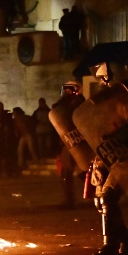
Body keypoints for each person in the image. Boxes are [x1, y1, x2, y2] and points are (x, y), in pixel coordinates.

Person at [88, 63, 128, 255]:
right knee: (100, 201)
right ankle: (127, 242)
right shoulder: (107, 104)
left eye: (103, 79)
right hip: (108, 157)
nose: (101, 84)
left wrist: (115, 137)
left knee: (108, 198)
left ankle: (110, 245)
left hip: (127, 157)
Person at [52, 81, 86, 209]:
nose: (65, 92)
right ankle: (69, 198)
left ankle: (102, 193)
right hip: (68, 140)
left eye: (68, 89)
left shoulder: (80, 103)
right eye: (65, 89)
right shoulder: (64, 104)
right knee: (68, 171)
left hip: (77, 140)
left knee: (80, 171)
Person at [13, 107, 37, 171]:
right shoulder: (16, 120)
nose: (13, 113)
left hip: (28, 134)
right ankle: (20, 163)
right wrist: (16, 131)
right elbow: (16, 127)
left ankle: (35, 159)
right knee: (20, 149)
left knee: (31, 148)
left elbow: (31, 125)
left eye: (14, 112)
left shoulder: (25, 118)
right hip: (23, 135)